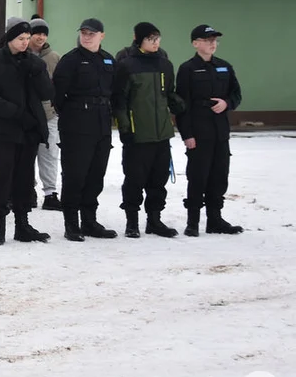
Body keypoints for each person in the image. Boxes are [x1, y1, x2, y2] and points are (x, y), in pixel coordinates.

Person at [0, 17, 54, 245]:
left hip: (29, 130)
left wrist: (38, 71)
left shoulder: (33, 63)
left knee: (24, 178)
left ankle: (23, 225)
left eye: (27, 39)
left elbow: (47, 93)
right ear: (10, 38)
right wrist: (14, 111)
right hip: (2, 129)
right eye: (21, 39)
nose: (25, 43)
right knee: (3, 177)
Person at [112, 22, 185, 239]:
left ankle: (154, 219)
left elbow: (168, 93)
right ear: (139, 39)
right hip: (137, 133)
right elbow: (120, 100)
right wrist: (125, 127)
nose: (155, 43)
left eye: (158, 39)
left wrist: (182, 105)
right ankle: (131, 221)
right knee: (134, 178)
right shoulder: (127, 65)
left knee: (159, 178)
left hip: (162, 133)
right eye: (151, 39)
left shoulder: (165, 64)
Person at [52, 18, 118, 242]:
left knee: (95, 175)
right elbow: (58, 95)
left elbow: (115, 91)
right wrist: (73, 115)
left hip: (101, 123)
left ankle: (89, 221)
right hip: (77, 123)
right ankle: (72, 223)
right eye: (84, 33)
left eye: (92, 33)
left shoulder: (108, 60)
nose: (87, 37)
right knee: (75, 175)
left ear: (102, 35)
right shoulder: (71, 60)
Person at [175, 25, 243, 236]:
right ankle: (193, 221)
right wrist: (187, 134)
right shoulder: (187, 69)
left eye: (215, 40)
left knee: (219, 176)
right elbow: (181, 105)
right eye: (207, 40)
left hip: (220, 132)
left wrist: (227, 103)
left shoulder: (224, 67)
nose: (212, 43)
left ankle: (215, 219)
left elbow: (236, 94)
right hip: (199, 131)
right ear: (195, 43)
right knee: (198, 176)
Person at [28, 17, 63, 211]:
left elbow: (60, 85)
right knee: (27, 154)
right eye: (37, 33)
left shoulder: (54, 57)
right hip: (27, 114)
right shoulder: (21, 54)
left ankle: (50, 193)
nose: (40, 37)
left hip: (49, 114)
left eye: (44, 33)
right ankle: (28, 189)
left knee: (49, 154)